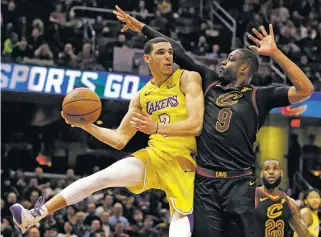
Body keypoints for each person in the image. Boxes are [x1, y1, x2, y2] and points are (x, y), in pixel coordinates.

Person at [113, 6, 314, 237]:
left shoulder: (261, 95)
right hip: (204, 183)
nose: (222, 63)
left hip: (239, 183)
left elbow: (305, 88)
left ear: (244, 67)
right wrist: (141, 27)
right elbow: (178, 51)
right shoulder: (210, 81)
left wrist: (276, 53)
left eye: (229, 60)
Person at [10, 37, 204, 237]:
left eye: (170, 52)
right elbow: (119, 139)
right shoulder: (142, 96)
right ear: (147, 58)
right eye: (161, 52)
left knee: (180, 219)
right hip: (154, 156)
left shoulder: (187, 78)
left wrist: (156, 126)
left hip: (184, 160)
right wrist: (86, 125)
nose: (168, 56)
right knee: (99, 178)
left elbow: (196, 125)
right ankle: (33, 216)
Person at [256, 159, 317, 237]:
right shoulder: (250, 197)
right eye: (267, 169)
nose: (271, 172)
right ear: (261, 174)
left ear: (281, 173)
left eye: (275, 168)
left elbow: (305, 234)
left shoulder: (289, 203)